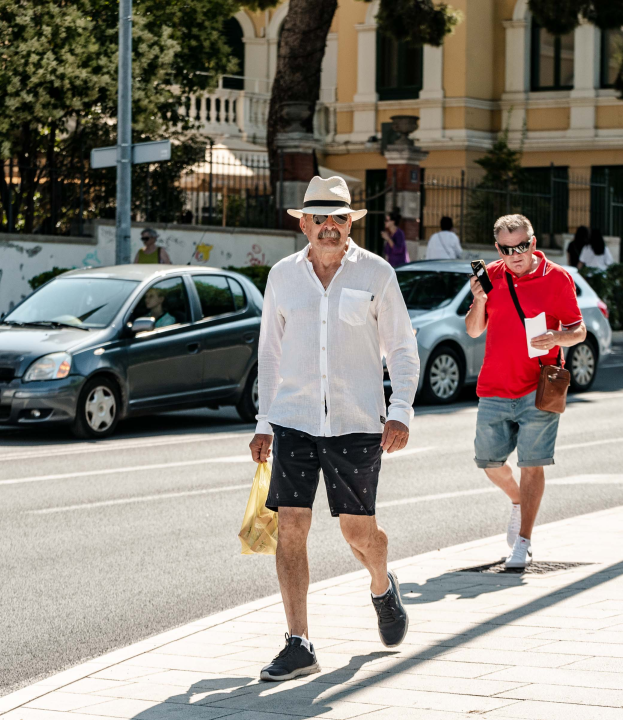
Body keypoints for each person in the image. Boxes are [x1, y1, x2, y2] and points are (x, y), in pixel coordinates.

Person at [249, 175, 420, 681]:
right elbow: (269, 352)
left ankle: (381, 584)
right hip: (295, 421)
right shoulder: (282, 276)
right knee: (292, 527)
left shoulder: (377, 273)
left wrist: (401, 409)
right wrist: (264, 422)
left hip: (356, 422)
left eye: (339, 218)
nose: (329, 227)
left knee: (357, 531)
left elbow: (402, 347)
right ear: (302, 223)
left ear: (351, 223)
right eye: (319, 218)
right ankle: (298, 642)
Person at [465, 214, 587, 569]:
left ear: (532, 243)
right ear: (498, 249)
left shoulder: (558, 278)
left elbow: (578, 331)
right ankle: (519, 501)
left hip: (539, 388)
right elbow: (473, 330)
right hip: (494, 386)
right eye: (507, 249)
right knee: (487, 462)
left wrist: (557, 338)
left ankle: (524, 541)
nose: (516, 254)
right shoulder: (489, 277)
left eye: (522, 246)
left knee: (532, 464)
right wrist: (480, 300)